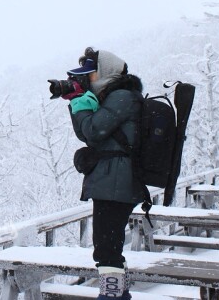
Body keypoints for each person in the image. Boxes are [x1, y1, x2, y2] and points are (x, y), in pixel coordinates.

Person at [62, 47, 144, 300]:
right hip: (113, 181)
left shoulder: (122, 97)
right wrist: (78, 100)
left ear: (106, 73)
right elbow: (86, 133)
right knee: (109, 246)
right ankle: (119, 293)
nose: (87, 80)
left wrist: (80, 101)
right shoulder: (114, 98)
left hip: (117, 183)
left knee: (106, 248)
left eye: (91, 75)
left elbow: (94, 131)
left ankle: (112, 296)